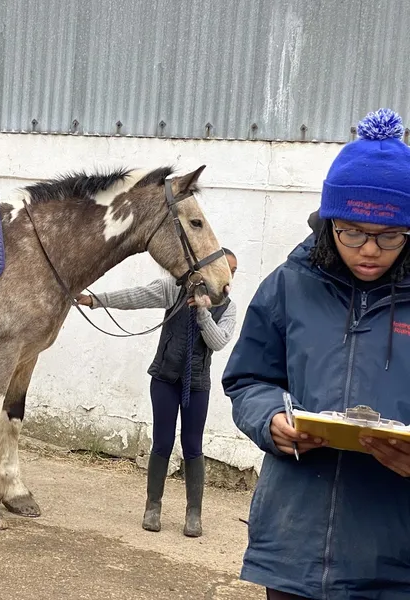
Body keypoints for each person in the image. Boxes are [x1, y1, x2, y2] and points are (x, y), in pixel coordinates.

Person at [222, 108, 410, 600]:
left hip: (394, 558)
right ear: (328, 225)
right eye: (351, 231)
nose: (369, 249)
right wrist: (271, 421)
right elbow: (248, 381)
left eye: (390, 236)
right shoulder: (288, 287)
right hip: (293, 549)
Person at [77, 248, 237, 537]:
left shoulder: (229, 308)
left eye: (233, 273)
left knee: (192, 446)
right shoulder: (174, 289)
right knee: (162, 442)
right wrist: (96, 301)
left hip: (197, 384)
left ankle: (193, 513)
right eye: (226, 270)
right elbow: (136, 296)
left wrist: (202, 313)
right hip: (164, 378)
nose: (228, 279)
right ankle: (153, 507)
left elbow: (217, 342)